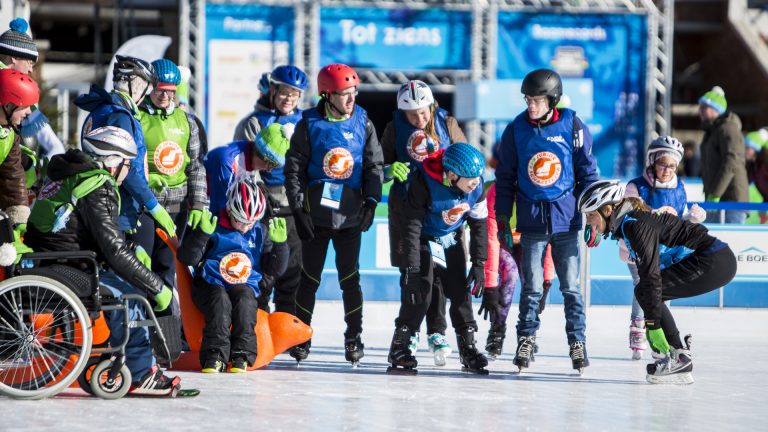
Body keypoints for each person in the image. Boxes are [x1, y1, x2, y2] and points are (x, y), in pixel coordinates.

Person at [24, 126, 183, 395]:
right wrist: (158, 288)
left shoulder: (71, 174)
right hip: (67, 264)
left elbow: (90, 232)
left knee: (126, 282)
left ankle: (124, 361)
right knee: (131, 294)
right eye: (127, 164)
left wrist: (131, 246)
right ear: (112, 160)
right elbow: (113, 251)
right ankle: (142, 372)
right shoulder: (98, 185)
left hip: (51, 259)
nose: (127, 171)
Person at [578, 180, 737, 384]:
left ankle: (678, 357)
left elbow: (651, 277)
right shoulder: (630, 222)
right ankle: (678, 354)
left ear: (608, 210)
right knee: (644, 291)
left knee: (646, 290)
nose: (588, 222)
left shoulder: (634, 225)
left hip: (713, 260)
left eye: (591, 215)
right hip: (713, 259)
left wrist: (652, 326)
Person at [495, 68, 598, 373]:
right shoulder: (516, 129)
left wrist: (594, 214)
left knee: (571, 287)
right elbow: (505, 177)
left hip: (566, 221)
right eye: (528, 99)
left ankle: (577, 342)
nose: (531, 105)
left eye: (537, 100)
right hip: (531, 221)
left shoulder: (572, 125)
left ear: (552, 100)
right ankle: (526, 339)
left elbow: (587, 174)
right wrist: (502, 215)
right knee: (531, 288)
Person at [284, 63, 383, 365]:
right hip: (317, 216)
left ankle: (354, 337)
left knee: (350, 279)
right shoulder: (309, 124)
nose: (351, 99)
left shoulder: (363, 122)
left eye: (354, 93)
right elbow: (294, 168)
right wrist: (299, 208)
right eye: (344, 94)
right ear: (328, 95)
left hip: (350, 217)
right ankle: (302, 337)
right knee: (309, 279)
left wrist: (371, 200)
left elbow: (373, 165)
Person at [380, 79, 467, 365]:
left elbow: (466, 158)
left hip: (443, 210)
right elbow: (376, 167)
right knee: (414, 274)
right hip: (409, 212)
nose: (419, 118)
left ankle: (437, 330)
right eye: (413, 114)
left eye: (424, 111)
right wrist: (389, 170)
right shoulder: (395, 129)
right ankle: (410, 331)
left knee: (441, 272)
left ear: (432, 106)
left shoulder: (448, 123)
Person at [386, 143, 488, 374]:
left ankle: (468, 347)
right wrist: (411, 267)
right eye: (470, 178)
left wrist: (480, 262)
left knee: (460, 291)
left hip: (450, 238)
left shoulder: (476, 186)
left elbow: (479, 224)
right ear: (451, 174)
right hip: (423, 237)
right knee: (421, 290)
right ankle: (401, 346)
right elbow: (411, 225)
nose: (475, 182)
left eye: (478, 177)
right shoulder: (423, 182)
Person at [180, 176, 288, 373]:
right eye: (240, 221)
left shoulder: (259, 231)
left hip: (244, 284)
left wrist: (280, 247)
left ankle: (242, 355)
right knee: (220, 301)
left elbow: (273, 269)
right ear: (229, 210)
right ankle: (215, 355)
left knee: (245, 301)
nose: (245, 227)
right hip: (210, 283)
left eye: (250, 222)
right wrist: (201, 234)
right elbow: (188, 258)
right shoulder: (213, 224)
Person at [233, 65, 308, 315]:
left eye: (294, 94)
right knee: (265, 269)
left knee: (293, 271)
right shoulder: (254, 122)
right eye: (285, 92)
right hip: (264, 206)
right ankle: (259, 321)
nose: (289, 99)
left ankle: (287, 323)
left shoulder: (304, 122)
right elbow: (243, 165)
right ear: (273, 91)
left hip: (294, 206)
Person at [622, 136, 706, 360]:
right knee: (644, 285)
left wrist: (692, 217)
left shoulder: (680, 186)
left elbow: (680, 217)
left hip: (666, 250)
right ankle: (638, 326)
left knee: (662, 290)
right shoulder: (636, 186)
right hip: (639, 248)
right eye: (662, 164)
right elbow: (624, 216)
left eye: (672, 165)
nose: (667, 170)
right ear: (652, 162)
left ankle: (657, 332)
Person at [75, 55, 177, 238]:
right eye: (144, 92)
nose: (144, 97)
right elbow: (122, 167)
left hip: (104, 203)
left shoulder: (102, 108)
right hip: (117, 207)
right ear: (135, 88)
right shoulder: (120, 116)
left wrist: (146, 176)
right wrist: (153, 205)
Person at [135, 58, 208, 311]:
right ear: (149, 88)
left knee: (168, 265)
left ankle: (165, 324)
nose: (166, 97)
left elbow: (196, 165)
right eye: (160, 90)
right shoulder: (137, 116)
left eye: (171, 92)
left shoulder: (187, 122)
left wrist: (198, 202)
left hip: (176, 207)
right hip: (144, 205)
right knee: (141, 263)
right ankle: (139, 320)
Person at [0, 18, 65, 165]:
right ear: (14, 57)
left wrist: (33, 167)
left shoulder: (25, 96)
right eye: (29, 62)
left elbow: (56, 146)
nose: (30, 69)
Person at [0, 68, 38, 265]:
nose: (29, 112)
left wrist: (19, 214)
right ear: (8, 105)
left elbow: (12, 174)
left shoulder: (10, 133)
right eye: (24, 106)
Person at [697, 86, 749, 224]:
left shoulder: (728, 128)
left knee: (731, 243)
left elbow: (732, 162)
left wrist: (715, 194)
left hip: (731, 201)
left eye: (704, 107)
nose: (700, 111)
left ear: (716, 109)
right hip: (717, 200)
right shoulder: (711, 131)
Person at [745, 128, 768, 224]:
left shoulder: (764, 166)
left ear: (757, 149)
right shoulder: (752, 166)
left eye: (748, 147)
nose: (744, 150)